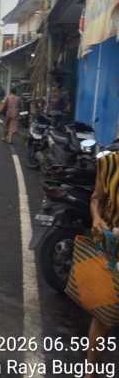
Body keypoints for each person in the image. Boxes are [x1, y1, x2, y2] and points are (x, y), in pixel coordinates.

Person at [86, 151, 119, 378]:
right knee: (103, 315)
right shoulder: (109, 163)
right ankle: (90, 370)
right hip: (113, 251)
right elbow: (96, 198)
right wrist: (97, 219)